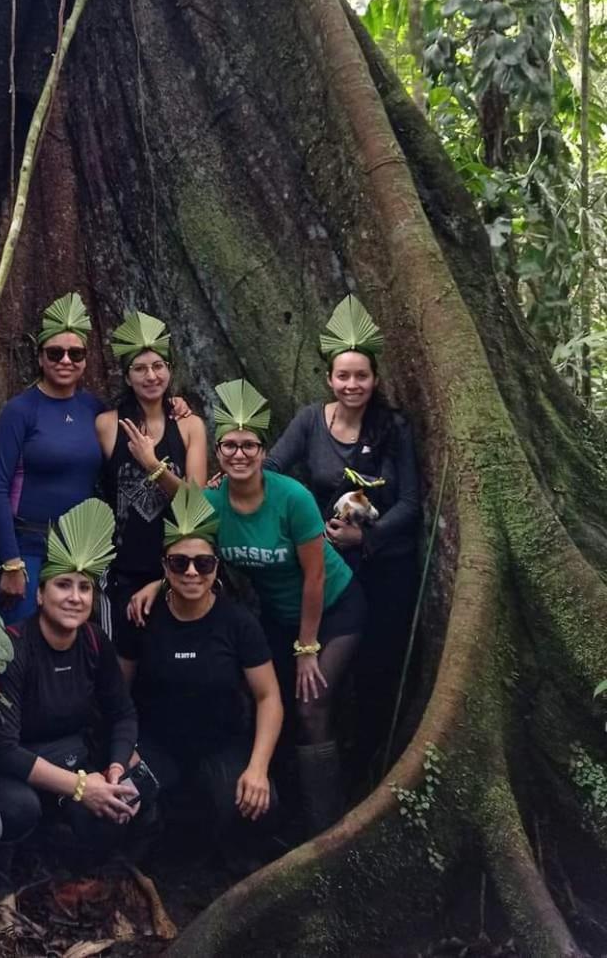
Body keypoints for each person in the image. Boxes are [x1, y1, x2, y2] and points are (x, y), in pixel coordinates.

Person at [130, 378, 365, 836]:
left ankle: (329, 826)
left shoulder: (291, 499)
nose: (239, 454)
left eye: (249, 446)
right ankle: (275, 809)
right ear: (218, 453)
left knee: (311, 703)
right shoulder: (216, 504)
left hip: (333, 611)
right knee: (268, 702)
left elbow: (315, 577)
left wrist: (308, 647)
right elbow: (190, 546)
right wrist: (158, 585)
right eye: (230, 446)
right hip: (279, 619)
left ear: (262, 450)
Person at [0, 499, 145, 895]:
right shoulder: (13, 650)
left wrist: (115, 771)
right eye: (63, 585)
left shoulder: (93, 642)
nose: (75, 597)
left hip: (54, 754)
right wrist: (83, 787)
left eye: (84, 587)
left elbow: (123, 714)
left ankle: (48, 855)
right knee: (17, 809)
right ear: (40, 594)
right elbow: (4, 750)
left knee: (124, 802)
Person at [267, 295, 421, 766]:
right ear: (330, 379)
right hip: (327, 569)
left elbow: (412, 505)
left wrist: (367, 538)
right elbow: (270, 469)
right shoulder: (311, 421)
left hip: (386, 567)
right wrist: (305, 521)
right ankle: (303, 770)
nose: (352, 384)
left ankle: (371, 764)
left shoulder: (393, 427)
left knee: (377, 668)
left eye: (362, 376)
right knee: (307, 672)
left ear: (374, 380)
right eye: (343, 375)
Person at [118, 484, 283, 865]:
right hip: (155, 744)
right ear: (164, 566)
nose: (191, 572)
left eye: (203, 564)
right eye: (179, 563)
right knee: (121, 799)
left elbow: (268, 697)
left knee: (261, 803)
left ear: (216, 568)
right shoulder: (143, 617)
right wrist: (123, 751)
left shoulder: (237, 623)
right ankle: (141, 866)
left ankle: (233, 868)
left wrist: (258, 767)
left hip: (220, 744)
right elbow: (117, 694)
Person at [0, 293, 105, 621]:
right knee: (19, 642)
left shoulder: (95, 410)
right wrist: (11, 561)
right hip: (28, 547)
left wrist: (174, 407)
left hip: (79, 552)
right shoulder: (21, 411)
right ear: (40, 358)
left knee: (71, 644)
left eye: (75, 353)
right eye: (55, 353)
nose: (65, 360)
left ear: (85, 359)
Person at [96, 310, 207, 651]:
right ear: (127, 377)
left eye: (158, 366)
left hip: (178, 567)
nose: (151, 376)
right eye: (140, 369)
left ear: (170, 371)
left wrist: (153, 465)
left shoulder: (190, 426)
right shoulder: (106, 425)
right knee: (122, 662)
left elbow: (195, 503)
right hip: (122, 568)